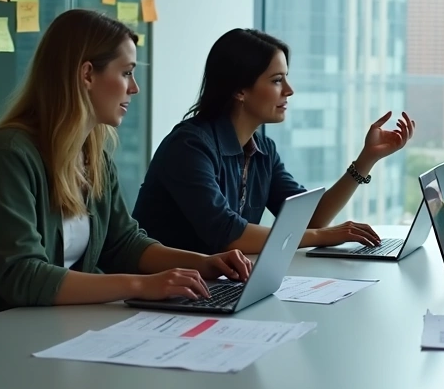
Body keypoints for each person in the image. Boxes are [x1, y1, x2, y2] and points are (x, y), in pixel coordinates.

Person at [0, 9, 251, 323]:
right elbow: (22, 275)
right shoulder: (9, 154)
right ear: (87, 74)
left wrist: (204, 264)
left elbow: (123, 243)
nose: (134, 87)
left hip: (33, 326)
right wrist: (141, 286)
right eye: (127, 73)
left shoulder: (93, 154)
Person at [132, 28, 415, 255]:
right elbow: (228, 235)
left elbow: (310, 218)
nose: (289, 91)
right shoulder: (190, 147)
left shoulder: (263, 150)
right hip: (160, 295)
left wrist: (367, 159)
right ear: (240, 90)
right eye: (277, 80)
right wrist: (322, 237)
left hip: (211, 286)